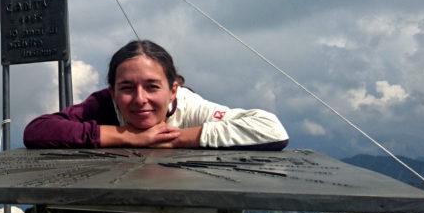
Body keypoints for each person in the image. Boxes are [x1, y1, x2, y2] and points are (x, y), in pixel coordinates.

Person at [23, 40, 289, 150]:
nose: (140, 99)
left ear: (174, 89)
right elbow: (37, 131)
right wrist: (128, 136)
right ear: (113, 91)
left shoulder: (190, 108)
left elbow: (271, 129)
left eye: (152, 86)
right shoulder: (102, 105)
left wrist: (174, 139)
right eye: (126, 88)